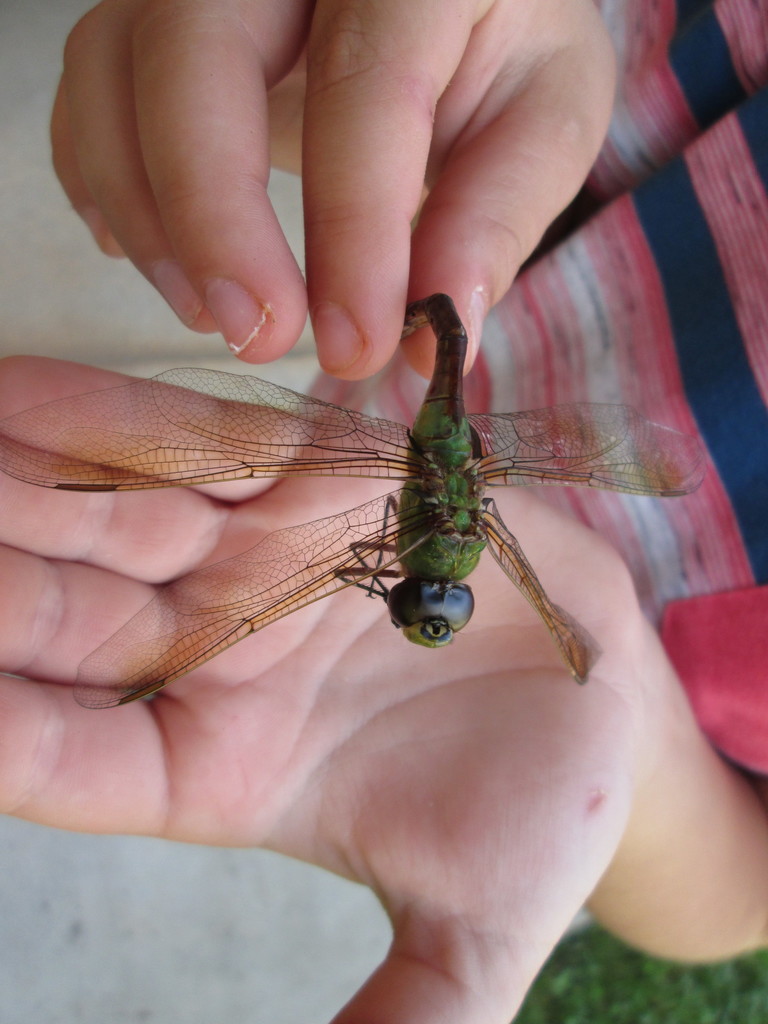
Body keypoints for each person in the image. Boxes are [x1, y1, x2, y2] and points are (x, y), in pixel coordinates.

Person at [1, 1, 768, 1022]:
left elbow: (740, 898)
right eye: (429, 607)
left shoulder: (427, 547)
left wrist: (622, 688)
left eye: (417, 606)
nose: (424, 612)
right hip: (569, 118)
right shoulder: (435, 539)